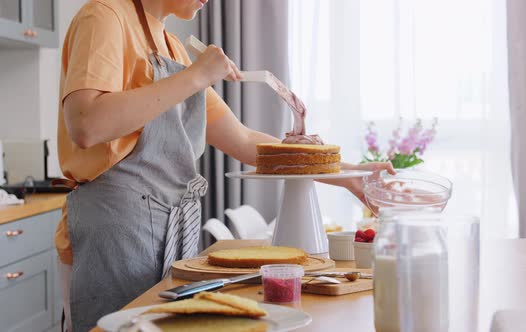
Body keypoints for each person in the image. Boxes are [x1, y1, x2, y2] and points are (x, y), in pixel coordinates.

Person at [55, 0, 395, 330]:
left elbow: (244, 141)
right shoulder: (104, 16)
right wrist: (196, 76)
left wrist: (351, 175)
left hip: (172, 232)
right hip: (115, 233)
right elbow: (87, 125)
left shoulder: (173, 47)